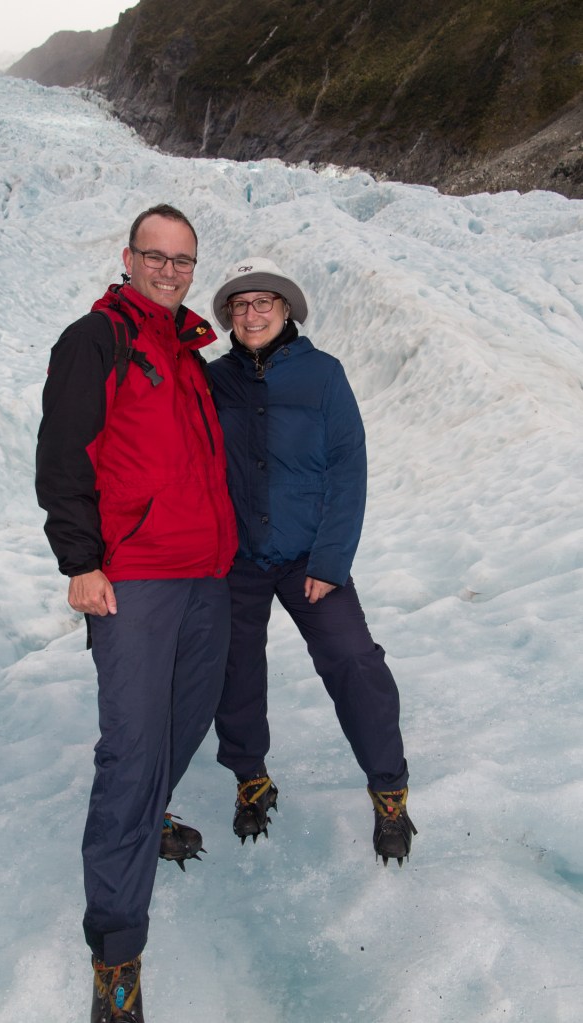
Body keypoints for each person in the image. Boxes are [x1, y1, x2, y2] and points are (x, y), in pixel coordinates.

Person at [35, 205, 238, 1023]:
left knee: (188, 714)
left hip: (205, 574)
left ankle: (147, 815)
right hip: (137, 577)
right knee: (131, 746)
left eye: (182, 259)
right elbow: (62, 455)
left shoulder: (185, 350)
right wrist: (80, 561)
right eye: (155, 255)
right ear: (127, 258)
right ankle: (116, 950)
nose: (168, 269)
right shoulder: (96, 340)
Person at [207, 257, 417, 869]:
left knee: (355, 661)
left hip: (310, 557)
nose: (251, 314)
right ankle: (251, 777)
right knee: (234, 671)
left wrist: (330, 560)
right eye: (240, 305)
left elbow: (349, 468)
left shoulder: (324, 375)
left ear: (286, 309)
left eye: (263, 302)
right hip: (237, 559)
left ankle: (389, 790)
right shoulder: (213, 380)